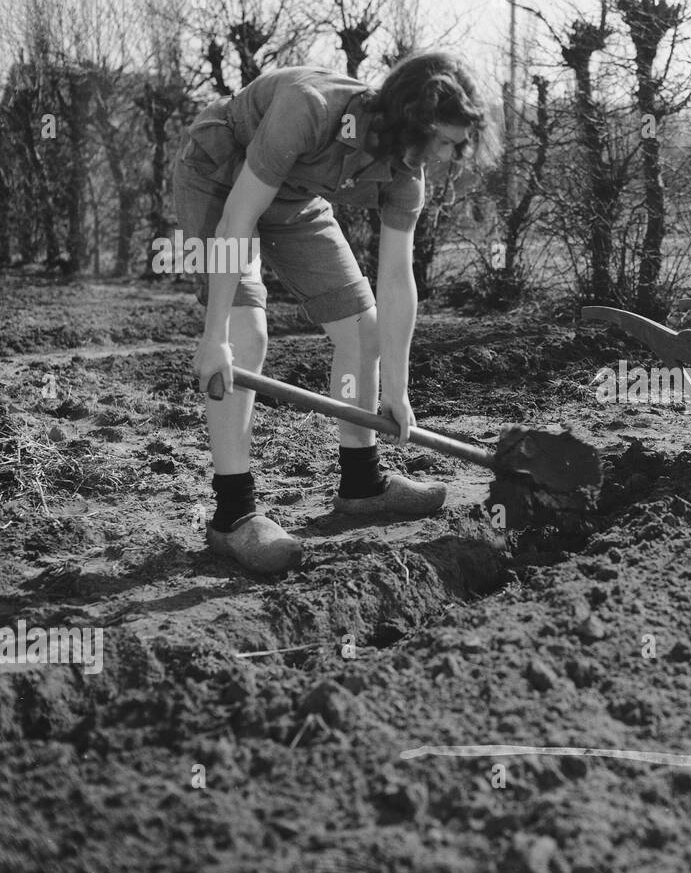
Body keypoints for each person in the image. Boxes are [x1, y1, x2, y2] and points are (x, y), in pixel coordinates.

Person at [172, 51, 493, 574]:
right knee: (245, 336)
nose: (453, 155)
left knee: (364, 333)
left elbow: (395, 279)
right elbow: (238, 217)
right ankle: (234, 516)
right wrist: (214, 338)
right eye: (448, 141)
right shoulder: (310, 106)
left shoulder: (405, 173)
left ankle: (362, 484)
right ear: (414, 121)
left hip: (294, 198)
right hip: (221, 178)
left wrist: (398, 391)